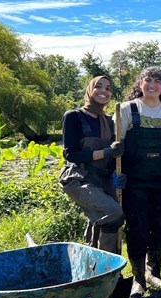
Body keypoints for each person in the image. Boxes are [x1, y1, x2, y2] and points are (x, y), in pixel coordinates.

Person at [114, 67, 161, 297]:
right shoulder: (125, 110)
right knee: (137, 228)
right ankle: (138, 278)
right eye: (147, 80)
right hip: (135, 182)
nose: (152, 85)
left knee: (159, 225)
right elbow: (117, 145)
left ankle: (154, 271)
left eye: (157, 81)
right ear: (140, 84)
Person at [59, 76, 124, 254]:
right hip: (78, 178)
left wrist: (116, 174)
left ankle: (98, 264)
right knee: (114, 213)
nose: (104, 91)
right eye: (99, 87)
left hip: (102, 178)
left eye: (108, 88)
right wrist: (105, 152)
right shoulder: (73, 117)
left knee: (103, 219)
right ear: (89, 90)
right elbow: (71, 154)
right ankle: (107, 265)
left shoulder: (110, 121)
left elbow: (113, 158)